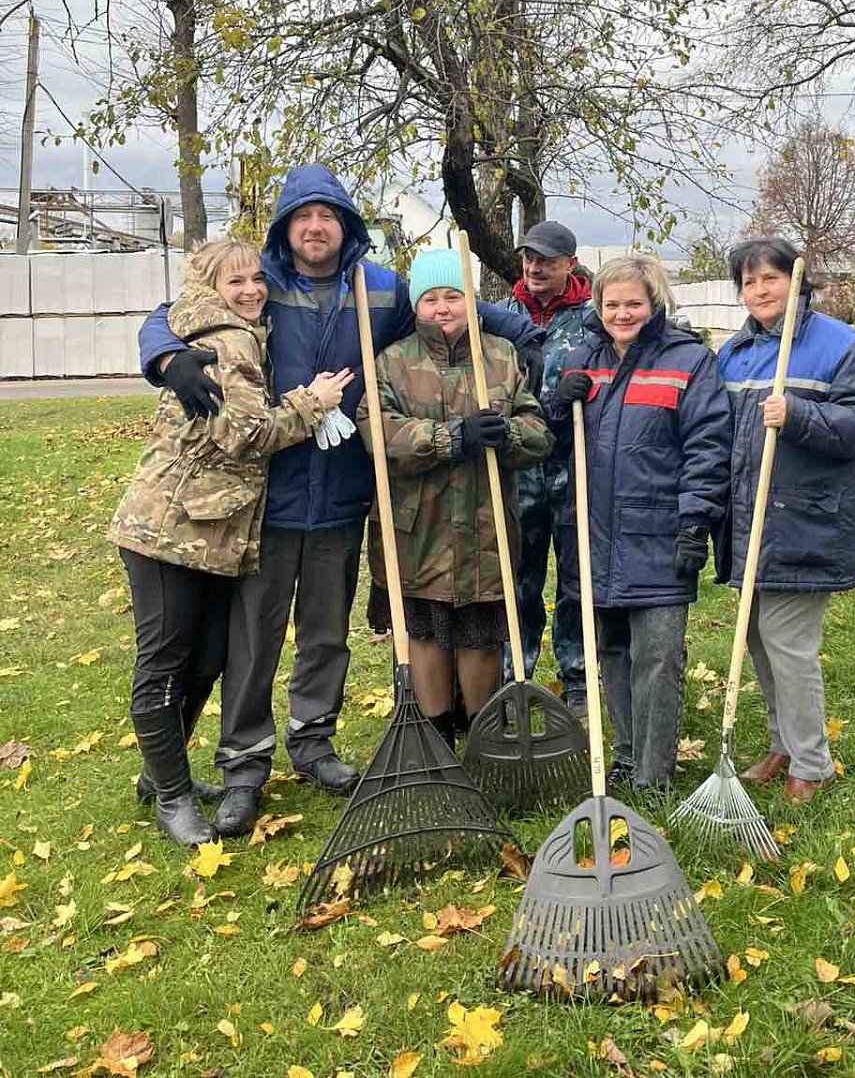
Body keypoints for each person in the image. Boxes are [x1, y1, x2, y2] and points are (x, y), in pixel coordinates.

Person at [138, 165, 542, 835]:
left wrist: (533, 335)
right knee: (254, 638)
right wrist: (164, 357)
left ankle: (314, 741)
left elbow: (453, 306)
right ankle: (244, 764)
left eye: (327, 215)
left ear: (346, 225)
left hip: (343, 493)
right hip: (266, 493)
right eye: (303, 216)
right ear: (285, 227)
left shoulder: (378, 288)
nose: (315, 227)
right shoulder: (260, 284)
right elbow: (173, 314)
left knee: (326, 633)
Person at [111, 239, 352, 846]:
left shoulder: (231, 328)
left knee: (206, 656)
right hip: (166, 528)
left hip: (208, 529)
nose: (250, 291)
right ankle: (172, 797)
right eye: (234, 281)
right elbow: (247, 433)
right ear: (209, 288)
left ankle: (158, 776)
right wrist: (314, 402)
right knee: (164, 662)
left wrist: (165, 353)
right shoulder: (229, 339)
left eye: (255, 280)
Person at [716, 237, 855, 805]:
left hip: (806, 520)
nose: (759, 290)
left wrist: (798, 414)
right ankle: (783, 745)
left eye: (770, 278)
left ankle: (812, 764)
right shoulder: (734, 353)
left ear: (797, 282)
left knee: (786, 640)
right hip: (748, 523)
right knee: (756, 636)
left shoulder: (841, 346)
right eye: (748, 282)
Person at [358, 249, 553, 747]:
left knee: (481, 634)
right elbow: (379, 432)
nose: (442, 307)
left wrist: (508, 434)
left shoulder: (501, 357)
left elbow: (538, 431)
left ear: (471, 302)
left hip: (485, 527)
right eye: (430, 299)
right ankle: (436, 734)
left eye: (453, 296)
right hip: (418, 526)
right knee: (425, 631)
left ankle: (484, 736)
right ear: (416, 306)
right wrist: (450, 437)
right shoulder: (392, 361)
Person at [551, 255, 731, 794]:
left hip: (659, 533)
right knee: (611, 651)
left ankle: (654, 775)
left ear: (654, 304)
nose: (622, 314)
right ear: (598, 306)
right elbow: (557, 445)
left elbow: (707, 447)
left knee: (657, 657)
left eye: (634, 303)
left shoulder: (689, 362)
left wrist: (695, 522)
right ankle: (626, 756)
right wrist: (558, 407)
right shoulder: (584, 361)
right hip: (596, 534)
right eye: (612, 304)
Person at [503, 221, 595, 716]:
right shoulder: (503, 316)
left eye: (546, 260)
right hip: (519, 467)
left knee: (577, 578)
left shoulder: (594, 319)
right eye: (529, 258)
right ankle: (515, 675)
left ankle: (577, 676)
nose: (535, 268)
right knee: (519, 576)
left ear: (570, 264)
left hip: (575, 463)